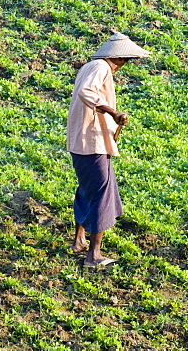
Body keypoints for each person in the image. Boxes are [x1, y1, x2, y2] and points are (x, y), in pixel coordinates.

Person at [67, 32, 150, 267]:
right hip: (91, 142)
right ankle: (93, 256)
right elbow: (87, 93)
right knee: (101, 194)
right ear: (120, 58)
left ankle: (79, 240)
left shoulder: (90, 66)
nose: (123, 66)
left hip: (85, 141)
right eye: (125, 61)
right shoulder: (101, 67)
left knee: (88, 190)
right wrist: (112, 112)